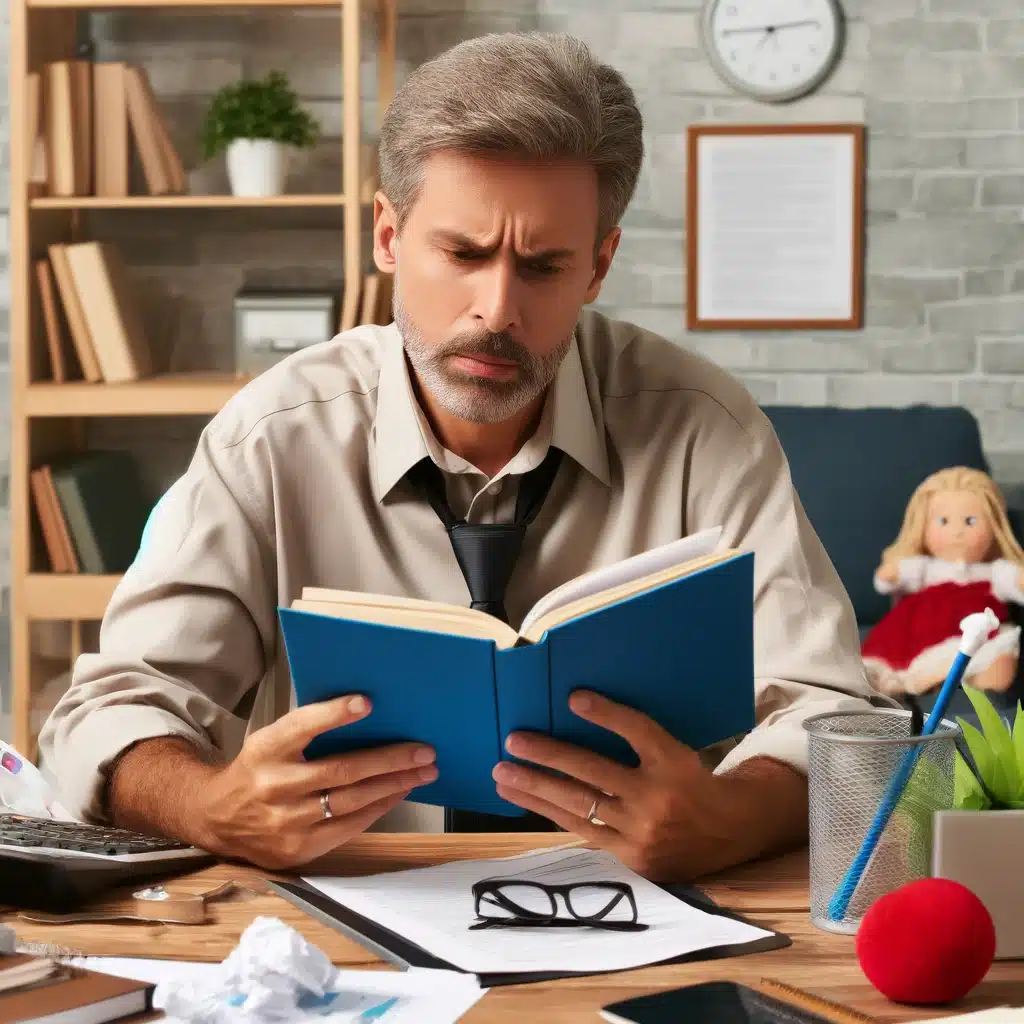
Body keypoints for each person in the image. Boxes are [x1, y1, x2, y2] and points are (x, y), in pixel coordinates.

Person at [38, 31, 877, 883]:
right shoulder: (272, 434)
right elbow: (107, 712)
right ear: (388, 236)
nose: (498, 308)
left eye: (544, 266)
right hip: (343, 929)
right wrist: (208, 805)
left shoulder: (706, 426)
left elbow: (838, 714)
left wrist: (731, 817)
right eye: (464, 254)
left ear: (599, 264)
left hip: (645, 910)